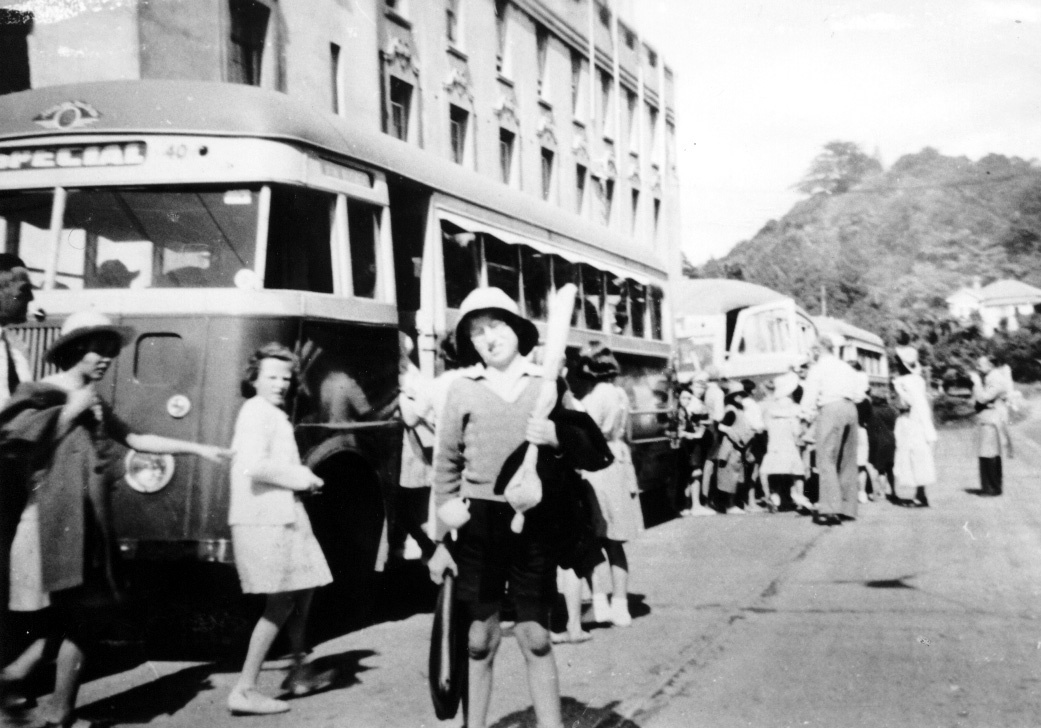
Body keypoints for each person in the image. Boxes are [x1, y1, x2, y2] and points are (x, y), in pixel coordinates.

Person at [0, 310, 231, 728]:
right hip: (50, 523)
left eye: (110, 351)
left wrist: (199, 450)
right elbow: (18, 446)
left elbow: (137, 438)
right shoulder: (41, 391)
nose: (106, 359)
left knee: (74, 616)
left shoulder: (95, 400)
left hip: (88, 523)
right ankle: (54, 708)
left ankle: (17, 683)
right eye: (96, 350)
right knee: (81, 617)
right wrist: (71, 410)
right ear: (73, 351)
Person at [427, 287, 609, 728]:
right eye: (477, 332)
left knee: (536, 637)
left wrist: (555, 438)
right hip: (478, 525)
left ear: (518, 331)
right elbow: (446, 466)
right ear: (469, 343)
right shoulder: (461, 390)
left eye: (497, 326)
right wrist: (440, 540)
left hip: (536, 523)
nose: (489, 338)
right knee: (478, 640)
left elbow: (590, 448)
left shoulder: (548, 385)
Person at [227, 343, 334, 715]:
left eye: (285, 378)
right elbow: (254, 466)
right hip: (264, 519)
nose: (280, 384)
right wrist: (304, 477)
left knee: (302, 589)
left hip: (281, 514)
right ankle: (245, 688)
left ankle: (299, 671)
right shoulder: (256, 413)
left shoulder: (270, 414)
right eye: (271, 376)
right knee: (282, 600)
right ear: (253, 379)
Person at [576, 343, 643, 628]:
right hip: (618, 462)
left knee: (593, 537)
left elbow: (585, 432)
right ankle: (621, 605)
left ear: (590, 367)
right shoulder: (619, 394)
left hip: (596, 465)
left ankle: (600, 602)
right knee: (615, 541)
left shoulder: (595, 397)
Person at [800, 335, 862, 526]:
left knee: (826, 459)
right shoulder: (846, 367)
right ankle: (847, 507)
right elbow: (859, 393)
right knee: (847, 460)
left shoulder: (818, 368)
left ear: (818, 350)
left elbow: (810, 394)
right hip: (851, 408)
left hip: (830, 408)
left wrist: (805, 417)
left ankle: (830, 509)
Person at [396, 332, 436, 561]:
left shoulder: (408, 375)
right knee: (413, 508)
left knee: (410, 507)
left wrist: (402, 396)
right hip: (415, 449)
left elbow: (411, 418)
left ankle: (433, 553)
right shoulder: (411, 370)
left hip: (413, 451)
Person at [891, 347, 937, 508]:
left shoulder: (905, 381)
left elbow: (908, 402)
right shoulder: (918, 379)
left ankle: (920, 497)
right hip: (918, 421)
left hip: (911, 422)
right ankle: (920, 493)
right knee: (919, 456)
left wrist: (897, 390)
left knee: (913, 456)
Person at [760, 373, 806, 511]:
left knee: (768, 472)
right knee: (797, 473)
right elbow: (797, 431)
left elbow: (764, 426)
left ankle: (771, 496)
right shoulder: (794, 408)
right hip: (789, 445)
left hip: (774, 445)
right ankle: (800, 498)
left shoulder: (769, 408)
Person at [971, 354, 1010, 497]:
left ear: (990, 365)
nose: (977, 367)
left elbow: (983, 398)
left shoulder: (996, 379)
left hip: (992, 419)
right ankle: (990, 486)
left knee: (989, 453)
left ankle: (992, 488)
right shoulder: (991, 377)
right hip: (988, 418)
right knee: (987, 452)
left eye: (980, 364)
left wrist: (976, 383)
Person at [715, 382, 752, 514]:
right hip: (731, 449)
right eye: (738, 395)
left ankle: (734, 503)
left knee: (736, 477)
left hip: (738, 449)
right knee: (729, 477)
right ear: (733, 396)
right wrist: (735, 434)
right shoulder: (731, 410)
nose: (741, 397)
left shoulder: (738, 409)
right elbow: (722, 426)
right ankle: (729, 505)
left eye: (742, 395)